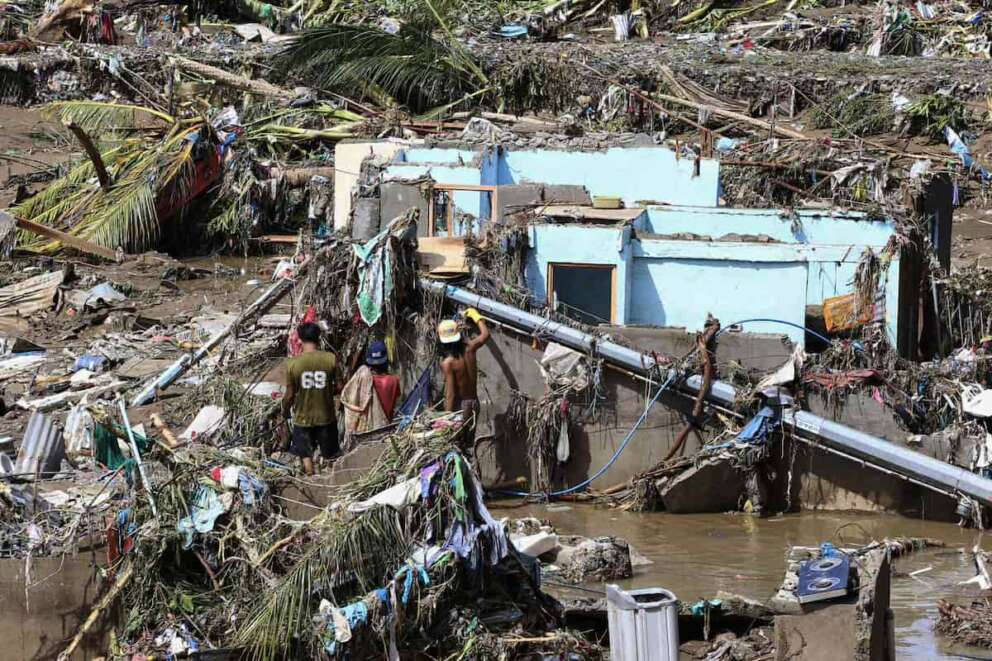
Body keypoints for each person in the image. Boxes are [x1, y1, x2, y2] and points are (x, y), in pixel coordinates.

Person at [282, 322, 339, 475]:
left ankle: (311, 479)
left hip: (303, 418)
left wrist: (285, 410)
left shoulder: (293, 363)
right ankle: (330, 483)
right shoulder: (331, 359)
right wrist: (325, 391)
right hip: (326, 416)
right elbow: (340, 386)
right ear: (319, 338)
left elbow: (289, 394)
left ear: (300, 339)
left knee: (306, 455)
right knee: (330, 457)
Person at [438, 308, 490, 445]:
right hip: (474, 403)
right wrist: (476, 316)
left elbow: (451, 394)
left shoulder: (448, 363)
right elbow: (485, 334)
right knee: (468, 444)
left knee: (455, 446)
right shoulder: (470, 347)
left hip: (461, 407)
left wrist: (446, 419)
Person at [366, 340, 401, 420]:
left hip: (368, 428)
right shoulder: (394, 381)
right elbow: (396, 404)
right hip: (386, 426)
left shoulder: (366, 381)